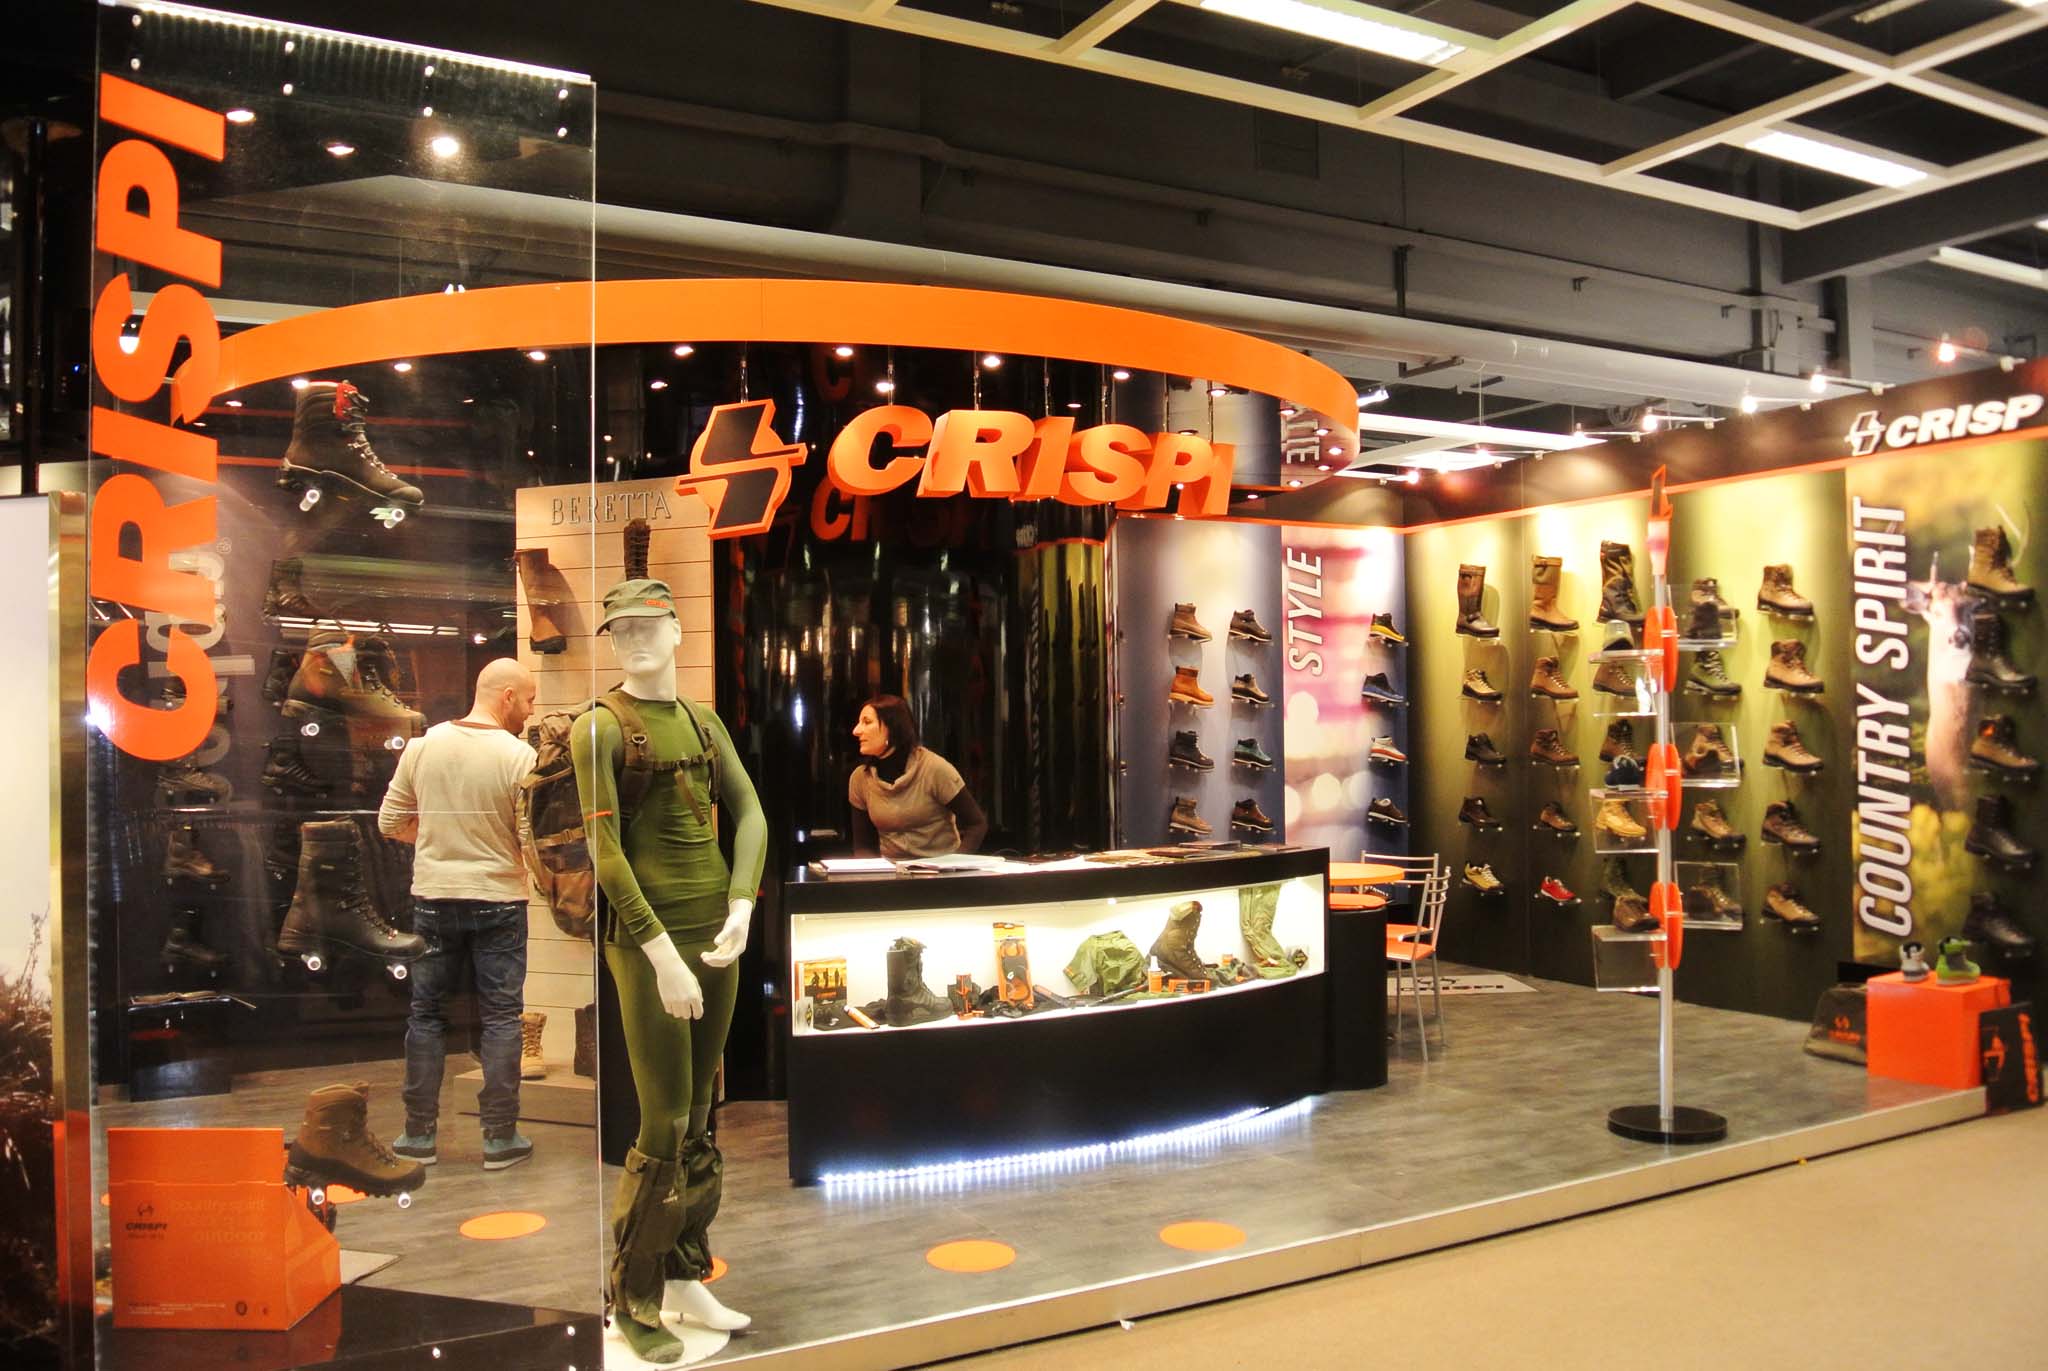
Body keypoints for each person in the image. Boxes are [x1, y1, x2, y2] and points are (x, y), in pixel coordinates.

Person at [573, 576, 766, 1357]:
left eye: (646, 626)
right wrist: (658, 954)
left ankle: (686, 1272)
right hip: (649, 944)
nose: (633, 641)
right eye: (620, 631)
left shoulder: (703, 721)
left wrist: (743, 903)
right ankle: (634, 1295)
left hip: (716, 933)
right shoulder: (599, 727)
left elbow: (751, 814)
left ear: (678, 629)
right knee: (663, 1122)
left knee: (701, 1114)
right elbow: (604, 851)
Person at [376, 658, 540, 1172]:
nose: (530, 712)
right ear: (507, 696)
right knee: (502, 1018)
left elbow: (389, 822)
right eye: (529, 701)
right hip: (499, 898)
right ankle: (499, 1138)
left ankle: (418, 1135)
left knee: (425, 1016)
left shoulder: (422, 747)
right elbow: (528, 837)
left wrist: (431, 839)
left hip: (433, 897)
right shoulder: (519, 756)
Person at [848, 695, 988, 858]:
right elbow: (863, 846)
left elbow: (976, 823)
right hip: (892, 870)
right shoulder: (860, 778)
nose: (856, 731)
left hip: (940, 868)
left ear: (892, 727)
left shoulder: (934, 769)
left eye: (867, 722)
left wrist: (956, 863)